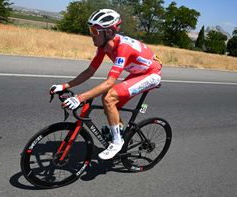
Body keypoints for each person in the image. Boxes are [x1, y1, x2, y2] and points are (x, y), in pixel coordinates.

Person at [50, 9, 162, 160]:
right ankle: (121, 132)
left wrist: (79, 98)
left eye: (95, 31)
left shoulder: (123, 47)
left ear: (108, 32)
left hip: (151, 74)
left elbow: (110, 82)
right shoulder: (103, 47)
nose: (91, 34)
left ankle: (117, 142)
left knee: (109, 98)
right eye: (91, 30)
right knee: (109, 103)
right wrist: (65, 86)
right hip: (138, 72)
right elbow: (90, 71)